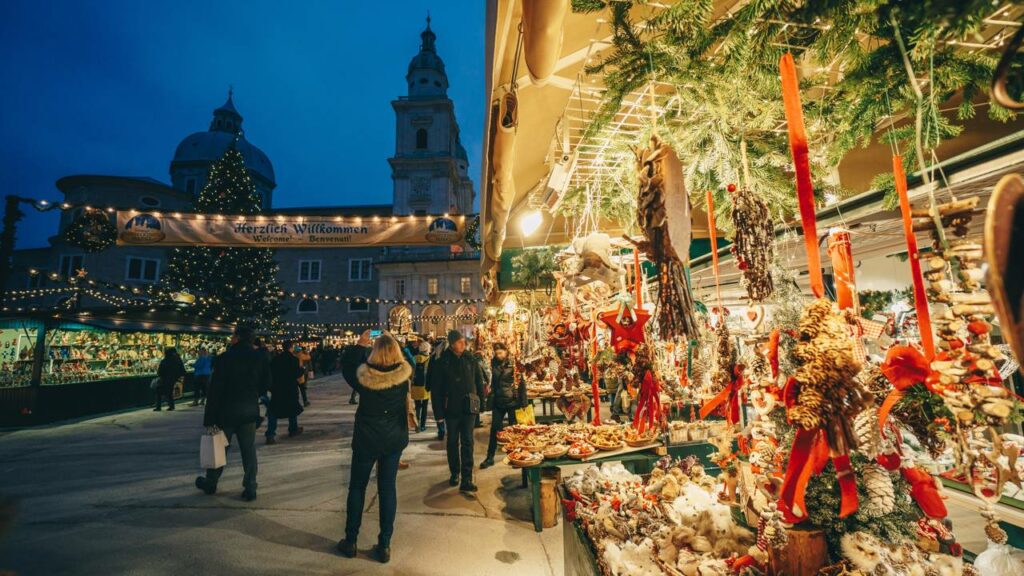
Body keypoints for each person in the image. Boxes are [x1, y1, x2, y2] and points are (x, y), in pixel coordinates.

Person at [336, 332, 412, 564]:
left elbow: (347, 366)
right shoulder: (403, 377)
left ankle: (351, 540)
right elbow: (411, 363)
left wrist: (360, 344)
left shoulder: (364, 378)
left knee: (357, 487)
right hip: (393, 438)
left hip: (367, 438)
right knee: (387, 488)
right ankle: (385, 544)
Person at [195, 326, 271, 501]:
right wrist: (254, 393)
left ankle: (211, 482)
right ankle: (250, 486)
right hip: (248, 410)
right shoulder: (259, 358)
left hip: (226, 411)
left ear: (237, 338)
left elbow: (214, 390)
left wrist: (209, 418)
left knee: (219, 448)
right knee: (248, 450)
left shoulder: (224, 358)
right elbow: (267, 383)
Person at [429, 330, 485, 493]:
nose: (463, 344)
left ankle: (467, 478)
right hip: (451, 409)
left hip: (469, 408)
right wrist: (439, 414)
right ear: (452, 344)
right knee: (452, 442)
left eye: (463, 341)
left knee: (468, 442)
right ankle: (455, 472)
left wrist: (481, 403)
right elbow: (436, 390)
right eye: (460, 342)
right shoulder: (442, 362)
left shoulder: (470, 359)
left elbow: (479, 381)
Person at [480, 342, 525, 468]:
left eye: (500, 353)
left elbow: (521, 382)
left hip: (512, 400)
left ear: (506, 351)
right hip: (498, 401)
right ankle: (490, 457)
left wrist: (524, 402)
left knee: (515, 430)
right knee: (495, 429)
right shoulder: (493, 363)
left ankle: (517, 456)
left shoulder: (514, 363)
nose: (498, 355)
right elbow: (493, 382)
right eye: (496, 353)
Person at [266, 341, 305, 445]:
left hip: (277, 387)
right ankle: (293, 429)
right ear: (291, 347)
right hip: (290, 387)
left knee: (274, 410)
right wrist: (302, 370)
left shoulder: (276, 359)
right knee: (292, 408)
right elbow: (297, 373)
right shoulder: (294, 359)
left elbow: (271, 372)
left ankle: (270, 433)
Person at [341, 331, 372, 405]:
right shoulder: (363, 350)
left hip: (351, 371)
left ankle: (353, 398)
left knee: (359, 386)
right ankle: (354, 399)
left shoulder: (352, 349)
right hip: (357, 371)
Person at [411, 341, 431, 432]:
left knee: (417, 406)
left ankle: (417, 425)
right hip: (425, 386)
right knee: (425, 407)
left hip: (415, 385)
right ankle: (422, 426)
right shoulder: (429, 359)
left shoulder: (414, 358)